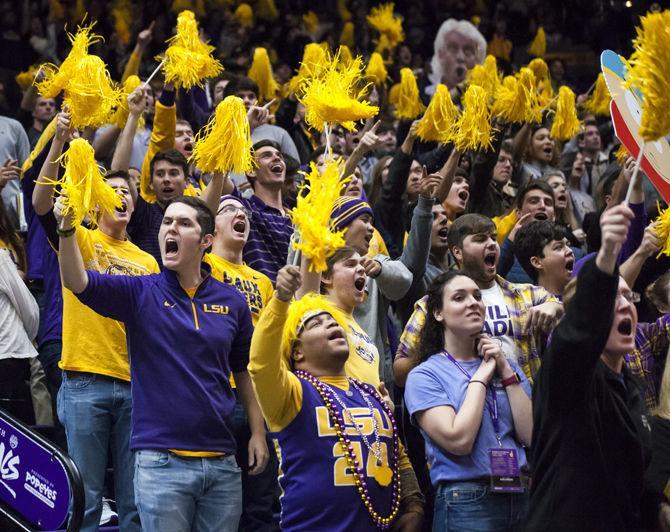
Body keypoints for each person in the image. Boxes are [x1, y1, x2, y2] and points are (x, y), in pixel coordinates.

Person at [56, 195, 268, 531]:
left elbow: (243, 371)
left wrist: (257, 432)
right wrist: (67, 230)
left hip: (222, 462)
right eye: (167, 222)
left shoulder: (233, 302)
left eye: (184, 223)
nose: (171, 228)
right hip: (161, 462)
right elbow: (77, 281)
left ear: (206, 241)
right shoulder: (142, 292)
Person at [33, 114, 160, 530]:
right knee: (85, 497)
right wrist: (58, 144)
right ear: (99, 199)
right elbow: (41, 205)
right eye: (114, 190)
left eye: (128, 192)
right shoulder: (81, 238)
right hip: (85, 378)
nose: (122, 196)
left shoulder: (148, 262)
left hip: (135, 383)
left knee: (134, 501)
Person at [249, 266, 420, 531]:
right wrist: (281, 299)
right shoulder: (291, 393)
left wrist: (414, 504)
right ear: (297, 353)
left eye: (332, 320)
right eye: (316, 323)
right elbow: (260, 364)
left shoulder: (372, 394)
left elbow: (398, 455)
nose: (330, 322)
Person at [527, 204, 652, 531]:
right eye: (613, 297)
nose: (625, 305)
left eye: (629, 297)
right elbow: (577, 337)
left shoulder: (631, 384)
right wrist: (608, 253)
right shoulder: (567, 372)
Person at [405, 271, 532, 531]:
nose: (473, 302)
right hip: (466, 500)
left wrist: (506, 371)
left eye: (477, 296)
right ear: (439, 313)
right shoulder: (424, 375)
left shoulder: (507, 365)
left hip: (521, 495)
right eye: (459, 298)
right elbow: (459, 440)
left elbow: (531, 434)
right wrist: (481, 377)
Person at [204, 195, 278, 531]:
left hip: (258, 398)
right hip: (216, 393)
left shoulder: (263, 281)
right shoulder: (204, 266)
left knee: (261, 503)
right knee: (221, 503)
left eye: (243, 211)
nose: (240, 214)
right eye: (229, 210)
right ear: (212, 226)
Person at [221, 139, 293, 284]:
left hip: (300, 303)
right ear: (251, 171)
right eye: (266, 155)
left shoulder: (299, 218)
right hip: (263, 299)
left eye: (279, 155)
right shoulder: (245, 208)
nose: (276, 157)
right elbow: (219, 174)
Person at [0, 248, 39, 424]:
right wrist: (29, 335)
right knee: (16, 430)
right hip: (10, 353)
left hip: (9, 353)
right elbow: (29, 308)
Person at [514, 221, 575, 296]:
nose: (570, 251)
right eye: (558, 247)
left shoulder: (586, 295)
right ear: (537, 262)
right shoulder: (532, 306)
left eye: (568, 245)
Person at [427, 19, 487, 94]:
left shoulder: (488, 103)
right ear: (440, 54)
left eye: (468, 51)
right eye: (453, 49)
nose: (460, 57)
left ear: (478, 60)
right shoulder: (420, 96)